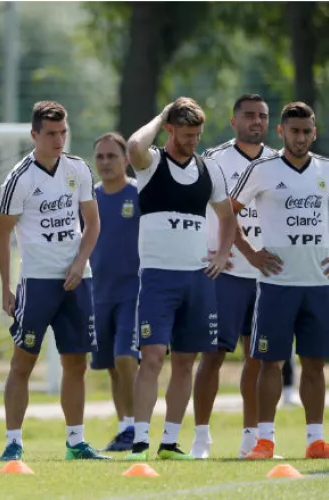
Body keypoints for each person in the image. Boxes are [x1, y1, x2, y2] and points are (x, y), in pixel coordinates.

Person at [124, 97, 235, 461]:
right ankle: (140, 441)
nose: (194, 141)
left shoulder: (210, 170)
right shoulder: (152, 163)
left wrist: (221, 255)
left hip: (197, 279)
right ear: (171, 129)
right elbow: (134, 146)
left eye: (198, 134)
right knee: (152, 356)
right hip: (158, 277)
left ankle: (170, 443)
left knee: (186, 360)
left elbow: (227, 216)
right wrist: (162, 113)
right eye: (187, 134)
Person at [0, 101, 107, 462]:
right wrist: (5, 286)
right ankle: (13, 443)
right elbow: (2, 235)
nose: (59, 140)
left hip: (78, 281)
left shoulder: (78, 169)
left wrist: (80, 263)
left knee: (77, 364)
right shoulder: (19, 178)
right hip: (38, 282)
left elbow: (92, 224)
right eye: (51, 134)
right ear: (34, 135)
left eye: (63, 133)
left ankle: (76, 442)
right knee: (22, 363)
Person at [231, 102, 329, 460]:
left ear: (313, 133)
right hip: (276, 285)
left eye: (306, 132)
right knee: (269, 362)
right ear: (282, 132)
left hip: (319, 285)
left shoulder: (326, 170)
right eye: (294, 131)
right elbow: (229, 212)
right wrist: (251, 253)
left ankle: (316, 440)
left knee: (315, 363)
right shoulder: (263, 169)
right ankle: (265, 441)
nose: (300, 137)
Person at [189, 94, 276, 459]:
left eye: (263, 116)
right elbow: (193, 211)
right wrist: (206, 252)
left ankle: (251, 438)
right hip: (225, 274)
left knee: (258, 357)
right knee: (213, 356)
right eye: (249, 116)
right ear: (233, 121)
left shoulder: (278, 162)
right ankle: (201, 438)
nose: (256, 121)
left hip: (268, 276)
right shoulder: (214, 160)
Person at [88, 133, 140, 452]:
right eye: (100, 157)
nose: (105, 162)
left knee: (125, 357)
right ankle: (124, 429)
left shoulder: (139, 195)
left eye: (111, 156)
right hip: (97, 293)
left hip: (133, 291)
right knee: (110, 364)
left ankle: (137, 426)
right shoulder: (88, 199)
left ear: (127, 159)